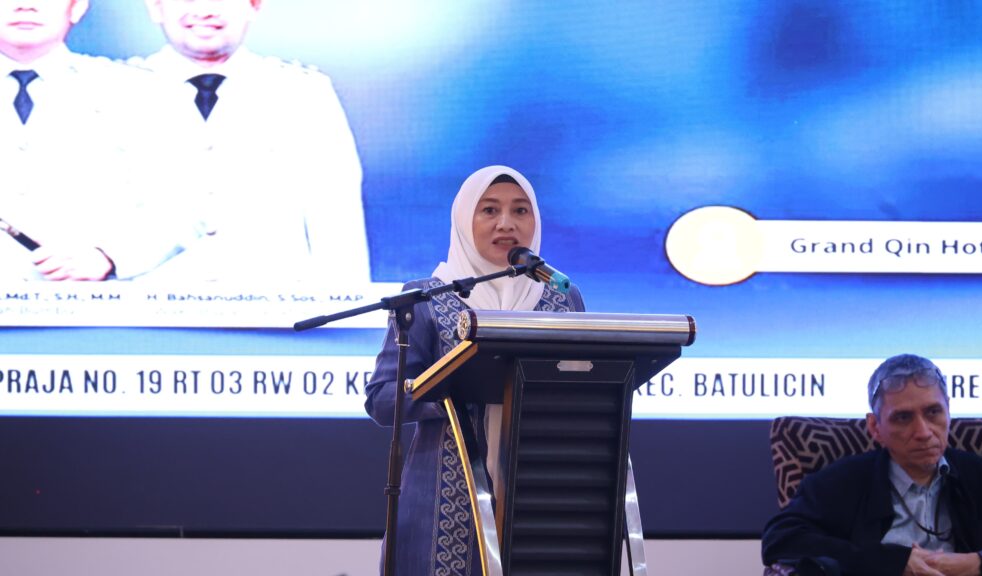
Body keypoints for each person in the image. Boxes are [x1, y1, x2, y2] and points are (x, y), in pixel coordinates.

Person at [364, 165, 585, 575]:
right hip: (444, 504)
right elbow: (381, 399)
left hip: (541, 496)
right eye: (490, 210)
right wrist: (451, 391)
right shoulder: (425, 298)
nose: (506, 223)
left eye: (520, 210)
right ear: (465, 219)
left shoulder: (561, 299)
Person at [133, 0, 369, 284]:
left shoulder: (302, 91)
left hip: (275, 301)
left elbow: (336, 214)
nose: (204, 10)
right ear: (155, 7)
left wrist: (349, 304)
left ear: (254, 5)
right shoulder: (118, 89)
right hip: (148, 299)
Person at [762, 353, 982, 576]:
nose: (923, 432)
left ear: (948, 411)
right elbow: (780, 539)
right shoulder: (843, 481)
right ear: (875, 427)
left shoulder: (977, 474)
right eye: (903, 418)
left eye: (933, 412)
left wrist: (981, 561)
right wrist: (892, 562)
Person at [0, 0, 180, 280]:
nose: (26, 6)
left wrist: (110, 256)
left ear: (77, 7)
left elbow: (183, 203)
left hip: (90, 301)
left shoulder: (138, 91)